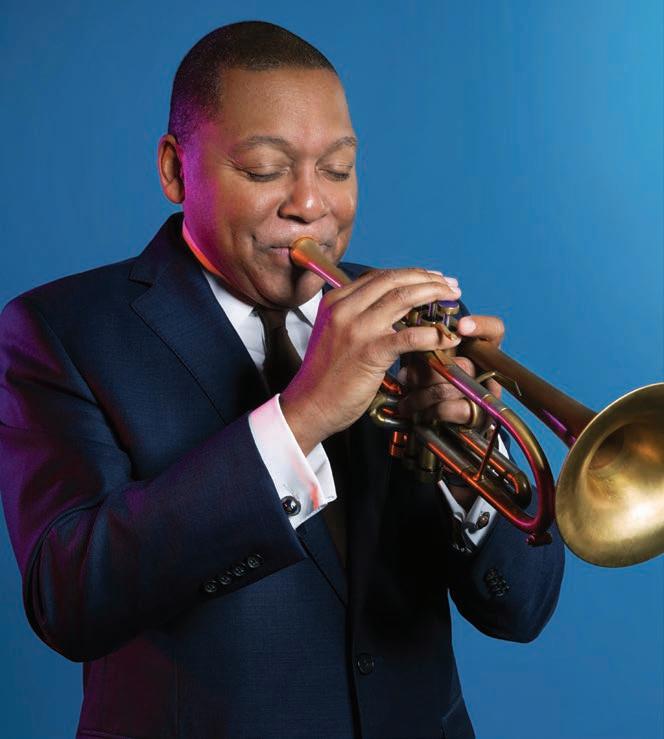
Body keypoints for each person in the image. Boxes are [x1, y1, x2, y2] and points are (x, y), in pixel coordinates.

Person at [0, 20, 563, 739]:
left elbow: (522, 609)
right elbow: (70, 601)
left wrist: (474, 460)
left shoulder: (406, 319)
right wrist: (301, 418)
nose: (311, 205)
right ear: (175, 170)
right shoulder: (60, 331)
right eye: (266, 170)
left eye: (338, 168)